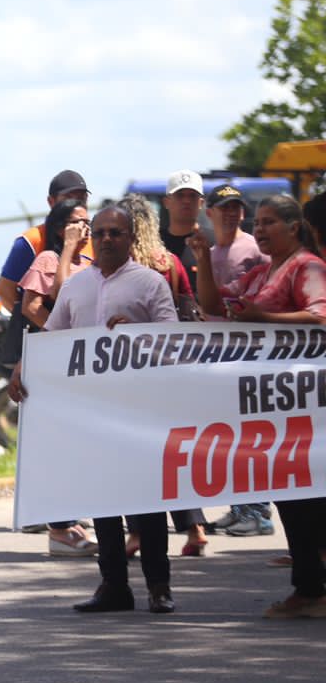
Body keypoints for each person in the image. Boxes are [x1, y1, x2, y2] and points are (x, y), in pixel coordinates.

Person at [9, 205, 178, 614]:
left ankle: (159, 586)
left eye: (115, 233)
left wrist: (139, 335)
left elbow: (175, 341)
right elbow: (52, 339)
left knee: (147, 500)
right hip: (91, 411)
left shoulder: (150, 284)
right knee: (101, 498)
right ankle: (114, 586)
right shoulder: (76, 287)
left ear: (129, 237)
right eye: (99, 233)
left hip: (138, 410)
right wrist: (22, 365)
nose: (105, 239)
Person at [194, 194, 326, 619]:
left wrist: (265, 320)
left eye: (270, 222)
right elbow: (214, 306)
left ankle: (309, 590)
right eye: (259, 223)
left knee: (307, 500)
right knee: (292, 498)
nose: (262, 229)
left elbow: (320, 315)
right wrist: (202, 259)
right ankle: (309, 585)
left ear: (294, 227)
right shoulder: (259, 274)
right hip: (275, 412)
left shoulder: (308, 268)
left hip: (304, 410)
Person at [123, 193, 209, 557]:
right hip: (168, 368)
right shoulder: (169, 262)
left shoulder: (117, 265)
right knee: (171, 451)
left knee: (132, 450)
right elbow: (189, 310)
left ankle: (138, 533)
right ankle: (195, 527)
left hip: (127, 370)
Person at [16, 200, 98, 558]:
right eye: (76, 223)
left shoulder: (92, 265)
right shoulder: (49, 259)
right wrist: (59, 332)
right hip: (56, 363)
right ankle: (58, 528)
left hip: (85, 365)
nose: (84, 229)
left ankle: (69, 520)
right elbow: (33, 306)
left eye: (87, 222)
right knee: (58, 444)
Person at [197, 185, 273, 538]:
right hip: (217, 353)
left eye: (236, 208)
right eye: (224, 207)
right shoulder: (210, 251)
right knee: (229, 433)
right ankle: (238, 505)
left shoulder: (254, 249)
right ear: (209, 211)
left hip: (247, 352)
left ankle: (258, 510)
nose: (231, 213)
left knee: (251, 433)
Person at [0, 169, 91, 367]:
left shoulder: (93, 239)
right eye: (68, 198)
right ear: (51, 202)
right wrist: (50, 328)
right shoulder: (31, 241)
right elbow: (7, 292)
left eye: (82, 199)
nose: (77, 205)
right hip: (52, 348)